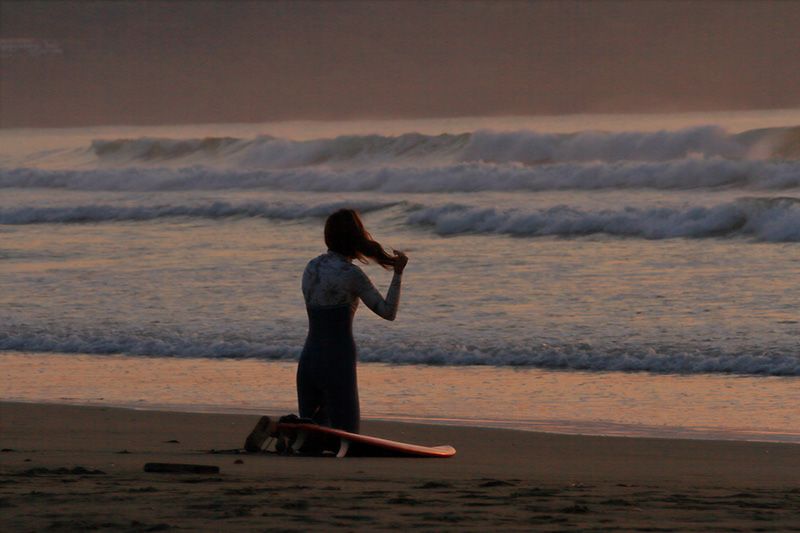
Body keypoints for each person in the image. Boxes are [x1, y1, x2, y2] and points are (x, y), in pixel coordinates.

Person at [296, 208, 407, 434]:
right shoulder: (351, 274)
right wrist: (398, 274)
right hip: (337, 363)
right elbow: (388, 312)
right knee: (347, 436)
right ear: (355, 238)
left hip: (308, 362)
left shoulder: (311, 267)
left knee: (311, 436)